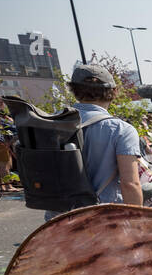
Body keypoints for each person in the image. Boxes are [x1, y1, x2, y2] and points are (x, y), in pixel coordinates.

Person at [58, 63, 143, 215]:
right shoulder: (121, 129)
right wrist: (137, 221)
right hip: (102, 217)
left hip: (59, 215)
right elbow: (130, 183)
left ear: (74, 90)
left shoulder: (51, 121)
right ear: (113, 91)